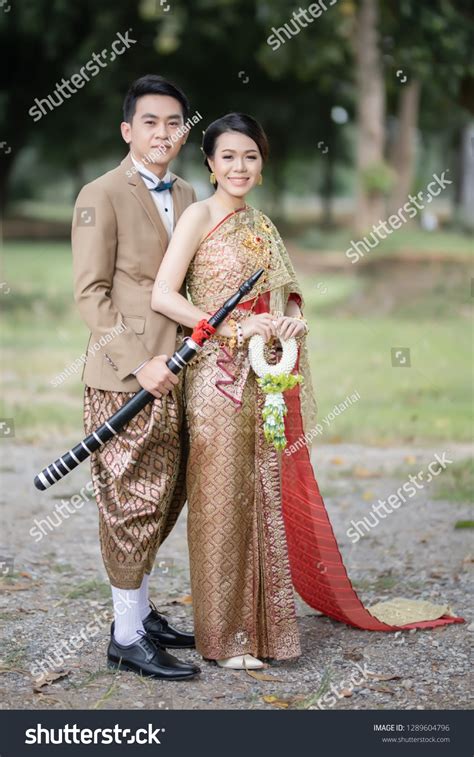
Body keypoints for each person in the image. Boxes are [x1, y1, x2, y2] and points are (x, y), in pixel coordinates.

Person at [150, 112, 464, 671]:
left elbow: (287, 297)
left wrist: (291, 320)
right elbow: (164, 296)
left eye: (250, 155)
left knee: (263, 497)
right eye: (227, 156)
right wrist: (228, 328)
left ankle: (267, 633)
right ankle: (223, 640)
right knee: (221, 502)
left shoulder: (263, 226)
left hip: (264, 376)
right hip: (216, 380)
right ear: (209, 163)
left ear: (262, 163)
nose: (239, 166)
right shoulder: (197, 216)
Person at [72, 75, 200, 680]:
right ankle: (125, 637)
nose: (163, 133)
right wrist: (139, 360)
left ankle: (142, 612)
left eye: (174, 122)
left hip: (180, 371)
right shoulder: (99, 193)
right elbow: (91, 294)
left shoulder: (191, 191)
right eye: (151, 121)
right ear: (129, 130)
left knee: (166, 493)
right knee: (129, 501)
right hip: (127, 377)